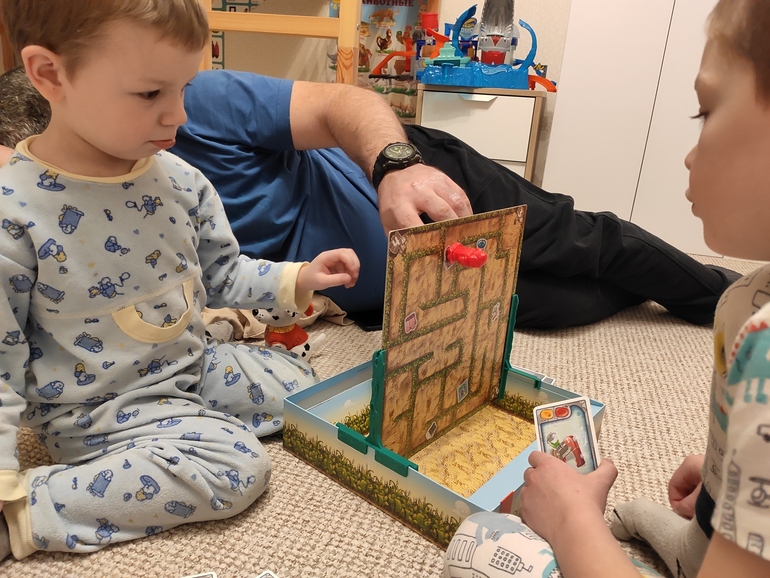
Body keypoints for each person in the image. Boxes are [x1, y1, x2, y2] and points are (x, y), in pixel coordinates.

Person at [0, 0, 359, 562]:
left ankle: (188, 422)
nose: (179, 116)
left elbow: (223, 274)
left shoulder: (183, 181)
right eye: (150, 94)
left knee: (309, 390)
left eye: (184, 89)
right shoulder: (15, 212)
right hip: (96, 412)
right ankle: (28, 515)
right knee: (237, 466)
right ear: (51, 75)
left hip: (190, 365)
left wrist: (299, 276)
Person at [0, 67, 740, 331]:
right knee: (567, 303)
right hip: (389, 296)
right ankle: (656, 291)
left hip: (418, 180)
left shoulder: (194, 105)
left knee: (583, 241)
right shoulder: (65, 232)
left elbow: (341, 101)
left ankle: (733, 299)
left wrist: (395, 167)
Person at [504, 1, 770, 576]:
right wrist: (733, 476)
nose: (689, 154)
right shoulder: (750, 299)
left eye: (704, 111)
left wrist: (573, 522)